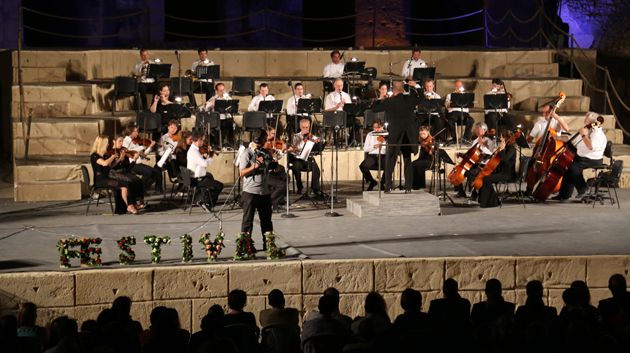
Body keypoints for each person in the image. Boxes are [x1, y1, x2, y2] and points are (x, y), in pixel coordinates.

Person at [371, 81, 418, 192]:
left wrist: (381, 98)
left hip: (394, 135)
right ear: (403, 89)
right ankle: (408, 187)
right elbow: (418, 96)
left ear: (394, 90)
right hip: (407, 135)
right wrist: (415, 86)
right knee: (407, 160)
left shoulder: (390, 101)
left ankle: (388, 187)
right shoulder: (410, 99)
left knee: (390, 161)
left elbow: (374, 109)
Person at [553, 112, 607, 201]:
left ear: (592, 123)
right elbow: (572, 140)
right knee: (567, 165)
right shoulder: (587, 130)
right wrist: (557, 138)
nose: (585, 124)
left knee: (573, 168)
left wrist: (583, 135)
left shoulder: (598, 134)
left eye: (587, 122)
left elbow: (591, 147)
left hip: (593, 159)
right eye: (585, 121)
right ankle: (564, 195)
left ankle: (583, 189)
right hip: (582, 157)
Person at [238, 129, 274, 248]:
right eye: (265, 139)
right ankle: (245, 247)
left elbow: (271, 167)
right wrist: (254, 166)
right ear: (261, 139)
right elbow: (241, 172)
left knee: (267, 221)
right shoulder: (247, 153)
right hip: (250, 192)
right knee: (248, 221)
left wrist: (274, 166)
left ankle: (268, 245)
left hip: (264, 192)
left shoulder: (265, 152)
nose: (266, 141)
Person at [90, 135, 140, 214]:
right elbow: (105, 164)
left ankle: (129, 205)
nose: (108, 145)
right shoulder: (94, 156)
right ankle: (130, 206)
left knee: (126, 183)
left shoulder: (103, 155)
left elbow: (111, 166)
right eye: (106, 143)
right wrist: (113, 156)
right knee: (124, 185)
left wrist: (119, 159)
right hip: (101, 180)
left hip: (107, 178)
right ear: (101, 144)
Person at [453, 122, 496, 198]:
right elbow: (471, 154)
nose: (476, 130)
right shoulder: (475, 140)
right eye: (476, 129)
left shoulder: (489, 140)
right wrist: (461, 154)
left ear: (484, 130)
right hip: (475, 163)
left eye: (478, 129)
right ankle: (461, 192)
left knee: (469, 173)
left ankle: (474, 193)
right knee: (458, 170)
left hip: (483, 165)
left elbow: (490, 154)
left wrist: (482, 146)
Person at [475, 130, 516, 208]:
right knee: (483, 176)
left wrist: (502, 150)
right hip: (501, 172)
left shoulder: (512, 148)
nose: (500, 139)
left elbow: (505, 159)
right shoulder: (506, 147)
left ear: (506, 138)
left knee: (486, 179)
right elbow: (499, 160)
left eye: (501, 137)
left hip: (507, 174)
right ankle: (485, 200)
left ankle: (493, 202)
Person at [187, 131, 223, 211]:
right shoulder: (193, 151)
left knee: (209, 176)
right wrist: (210, 157)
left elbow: (200, 162)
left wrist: (206, 157)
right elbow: (204, 164)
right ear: (198, 140)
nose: (203, 142)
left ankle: (203, 199)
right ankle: (207, 202)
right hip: (196, 179)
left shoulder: (194, 150)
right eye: (202, 140)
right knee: (219, 185)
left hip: (196, 175)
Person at [122, 125, 163, 194]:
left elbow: (143, 156)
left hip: (139, 163)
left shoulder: (135, 142)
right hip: (132, 164)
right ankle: (140, 190)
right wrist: (141, 147)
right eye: (135, 131)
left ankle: (156, 190)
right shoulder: (125, 141)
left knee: (157, 172)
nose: (137, 133)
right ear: (130, 132)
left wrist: (150, 147)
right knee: (148, 172)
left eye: (137, 131)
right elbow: (127, 151)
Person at [110, 136, 146, 210]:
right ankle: (131, 204)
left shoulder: (123, 151)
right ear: (114, 141)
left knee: (138, 180)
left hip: (124, 172)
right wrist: (120, 159)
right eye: (119, 141)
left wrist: (134, 160)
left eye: (122, 141)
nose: (122, 143)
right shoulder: (110, 152)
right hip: (114, 173)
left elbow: (128, 168)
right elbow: (111, 167)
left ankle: (140, 201)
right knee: (129, 180)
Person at [287, 119, 321, 195]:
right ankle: (300, 187)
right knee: (296, 166)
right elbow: (294, 150)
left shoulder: (311, 136)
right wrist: (303, 140)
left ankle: (315, 189)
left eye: (307, 127)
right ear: (300, 127)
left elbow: (318, 144)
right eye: (303, 127)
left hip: (308, 159)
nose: (305, 129)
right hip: (298, 160)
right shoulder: (296, 137)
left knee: (316, 169)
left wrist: (317, 142)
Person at [264, 126, 288, 212]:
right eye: (272, 134)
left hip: (273, 167)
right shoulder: (264, 144)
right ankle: (270, 202)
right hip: (266, 171)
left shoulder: (276, 142)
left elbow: (284, 147)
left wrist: (285, 148)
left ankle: (278, 201)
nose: (274, 136)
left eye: (275, 133)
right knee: (282, 184)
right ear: (267, 133)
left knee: (285, 176)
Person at [204, 82, 235, 147]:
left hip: (226, 118)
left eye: (223, 90)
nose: (222, 92)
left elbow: (232, 108)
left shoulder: (228, 98)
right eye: (220, 91)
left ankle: (230, 143)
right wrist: (212, 104)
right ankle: (217, 143)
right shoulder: (213, 98)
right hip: (217, 119)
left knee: (231, 122)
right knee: (220, 125)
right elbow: (206, 109)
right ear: (216, 91)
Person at [360, 119, 387, 191]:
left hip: (383, 155)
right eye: (374, 127)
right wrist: (374, 146)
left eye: (377, 127)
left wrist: (383, 143)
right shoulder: (370, 134)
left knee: (389, 165)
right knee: (363, 166)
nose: (376, 129)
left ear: (381, 127)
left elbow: (388, 148)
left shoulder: (385, 134)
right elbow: (365, 148)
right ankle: (372, 181)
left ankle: (383, 183)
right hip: (373, 155)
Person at [444, 79, 474, 144]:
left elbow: (469, 106)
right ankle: (454, 138)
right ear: (455, 86)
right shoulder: (450, 95)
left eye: (460, 86)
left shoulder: (466, 95)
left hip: (464, 113)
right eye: (457, 86)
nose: (458, 87)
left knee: (471, 120)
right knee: (450, 121)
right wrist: (452, 103)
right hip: (454, 113)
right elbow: (447, 106)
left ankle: (465, 138)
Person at [411, 126, 434, 190]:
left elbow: (435, 151)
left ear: (428, 132)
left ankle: (420, 185)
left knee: (418, 164)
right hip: (423, 159)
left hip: (430, 161)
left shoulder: (431, 140)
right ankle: (413, 184)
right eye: (421, 134)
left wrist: (431, 150)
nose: (422, 135)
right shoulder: (421, 140)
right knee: (412, 164)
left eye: (424, 134)